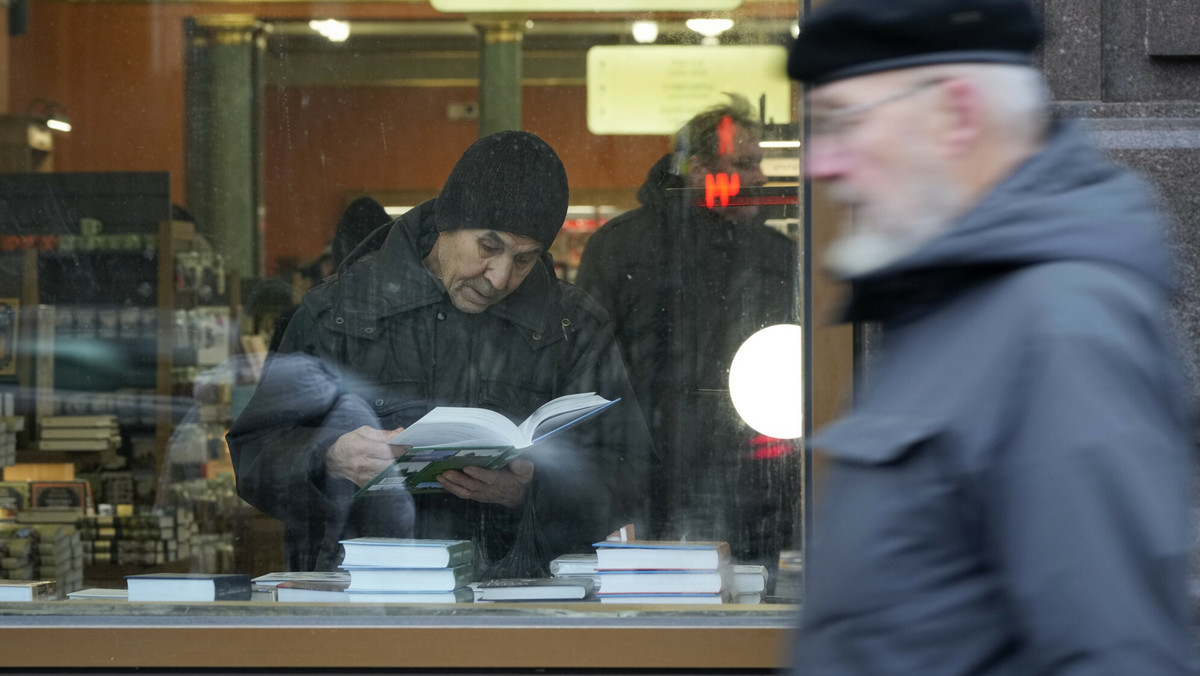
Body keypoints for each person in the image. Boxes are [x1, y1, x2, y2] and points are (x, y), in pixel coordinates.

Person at [788, 0, 1198, 673]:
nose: (819, 164)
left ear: (956, 115)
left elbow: (1114, 654)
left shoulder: (1064, 329)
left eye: (843, 121)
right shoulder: (954, 309)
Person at [228, 131, 654, 576]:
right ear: (448, 220)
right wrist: (327, 455)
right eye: (488, 248)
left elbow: (632, 477)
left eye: (525, 259)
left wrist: (532, 492)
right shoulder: (338, 312)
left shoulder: (573, 327)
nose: (500, 277)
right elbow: (254, 456)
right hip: (365, 601)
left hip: (516, 607)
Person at [575, 94, 800, 588]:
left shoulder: (774, 255)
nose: (761, 177)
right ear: (699, 168)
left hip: (744, 486)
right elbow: (586, 376)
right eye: (745, 164)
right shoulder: (622, 248)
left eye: (758, 163)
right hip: (652, 485)